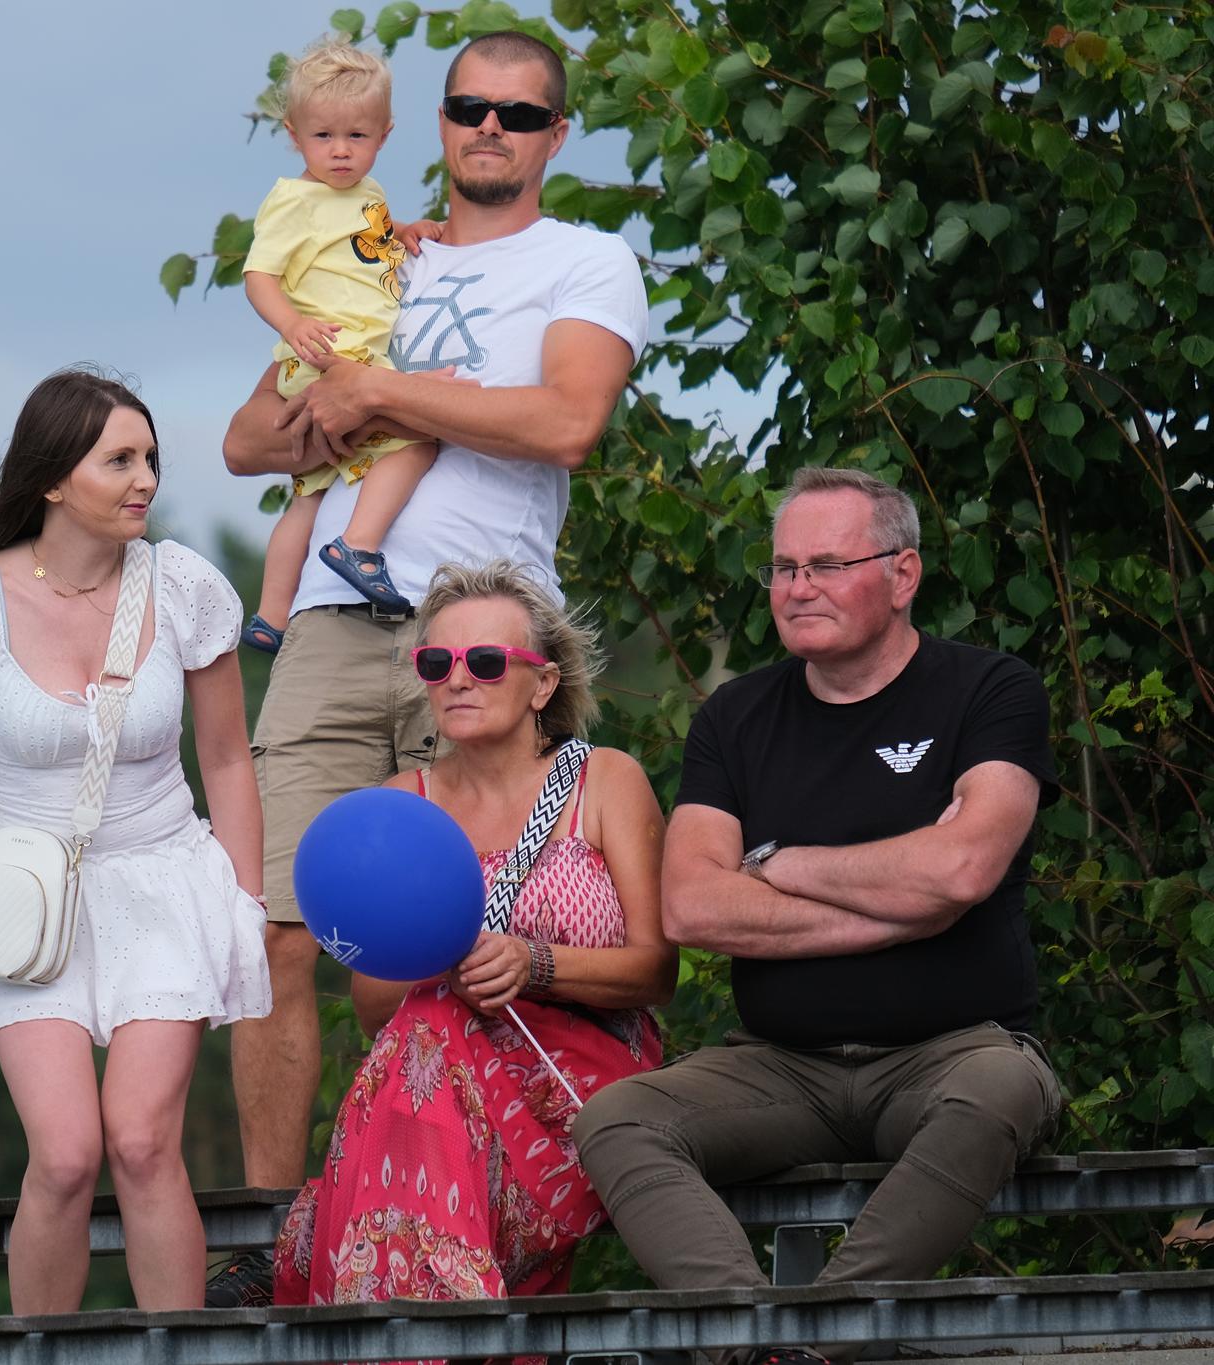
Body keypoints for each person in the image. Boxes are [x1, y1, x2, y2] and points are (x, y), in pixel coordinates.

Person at [211, 29, 649, 1307]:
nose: (490, 128)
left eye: (518, 113)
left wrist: (386, 394)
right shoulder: (373, 243)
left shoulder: (582, 260)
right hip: (332, 626)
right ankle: (272, 1236)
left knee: (458, 945)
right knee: (276, 933)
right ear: (439, 122)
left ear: (555, 135)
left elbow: (565, 420)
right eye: (468, 107)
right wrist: (338, 394)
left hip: (482, 642)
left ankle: (466, 1222)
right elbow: (247, 442)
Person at [573, 466, 1062, 1365]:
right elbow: (690, 904)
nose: (799, 588)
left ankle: (823, 1341)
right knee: (616, 1119)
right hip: (780, 1065)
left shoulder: (990, 690)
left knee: (1001, 1089)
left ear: (903, 574)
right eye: (784, 568)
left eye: (828, 565)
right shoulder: (736, 715)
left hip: (951, 1050)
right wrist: (904, 906)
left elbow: (961, 867)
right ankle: (756, 1346)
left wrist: (780, 861)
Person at [0, 368, 272, 1313]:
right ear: (54, 479)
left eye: (150, 458)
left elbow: (226, 758)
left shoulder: (182, 585)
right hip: (26, 897)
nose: (146, 478)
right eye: (120, 460)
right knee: (67, 1154)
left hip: (164, 878)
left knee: (143, 1142)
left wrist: (242, 899)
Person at [273, 560, 675, 1325]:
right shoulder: (402, 805)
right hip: (437, 1084)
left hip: (579, 1088)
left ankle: (410, 1323)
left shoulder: (605, 781)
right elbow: (372, 1007)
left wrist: (534, 963)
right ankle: (435, 1317)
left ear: (543, 683)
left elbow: (658, 972)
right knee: (425, 1028)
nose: (457, 678)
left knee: (420, 1051)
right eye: (437, 662)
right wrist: (444, 963)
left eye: (485, 660)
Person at [240, 37, 441, 646]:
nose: (341, 150)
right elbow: (259, 276)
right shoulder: (293, 201)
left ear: (384, 134)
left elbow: (365, 234)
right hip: (330, 353)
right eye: (323, 136)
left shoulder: (367, 193)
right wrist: (291, 326)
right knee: (419, 437)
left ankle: (272, 616)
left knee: (310, 491)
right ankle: (359, 546)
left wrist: (403, 229)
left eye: (357, 136)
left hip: (349, 356)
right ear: (294, 134)